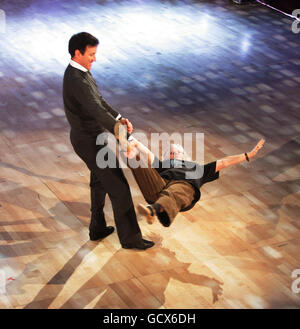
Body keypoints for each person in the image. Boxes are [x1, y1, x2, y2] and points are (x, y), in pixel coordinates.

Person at [62, 32, 154, 250]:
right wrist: (121, 134)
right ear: (78, 53)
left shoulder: (80, 73)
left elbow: (99, 100)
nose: (95, 58)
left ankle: (97, 228)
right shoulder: (77, 80)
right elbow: (96, 110)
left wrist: (120, 118)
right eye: (91, 54)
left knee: (99, 181)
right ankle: (131, 239)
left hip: (90, 140)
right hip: (89, 143)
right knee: (120, 189)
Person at [124, 137, 265, 226]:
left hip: (184, 192)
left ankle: (153, 209)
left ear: (184, 156)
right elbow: (148, 153)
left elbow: (224, 162)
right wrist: (134, 142)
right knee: (140, 164)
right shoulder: (163, 165)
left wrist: (248, 155)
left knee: (178, 187)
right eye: (171, 154)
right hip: (158, 190)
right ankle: (130, 154)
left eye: (177, 152)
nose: (174, 155)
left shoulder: (197, 169)